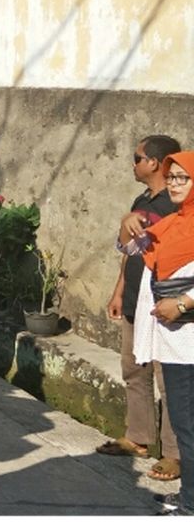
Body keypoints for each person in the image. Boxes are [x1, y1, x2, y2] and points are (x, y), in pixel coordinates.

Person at [102, 135, 182, 481]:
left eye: (137, 158)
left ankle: (176, 454)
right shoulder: (142, 199)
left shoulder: (175, 203)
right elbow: (130, 251)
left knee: (170, 380)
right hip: (136, 296)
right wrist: (119, 291)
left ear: (154, 162)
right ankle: (138, 437)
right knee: (134, 369)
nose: (133, 164)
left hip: (162, 302)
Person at [132, 152, 194, 516]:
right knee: (186, 425)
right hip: (175, 341)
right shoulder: (174, 223)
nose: (173, 184)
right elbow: (131, 246)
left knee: (188, 425)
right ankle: (189, 496)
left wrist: (183, 304)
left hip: (188, 342)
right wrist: (129, 222)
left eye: (182, 178)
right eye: (171, 177)